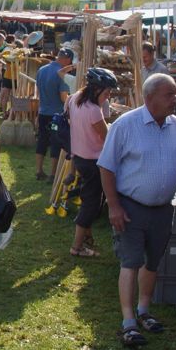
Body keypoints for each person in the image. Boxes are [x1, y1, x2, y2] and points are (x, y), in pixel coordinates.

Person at [98, 73, 176, 349]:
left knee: (152, 261)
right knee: (130, 261)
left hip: (161, 209)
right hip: (131, 207)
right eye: (169, 94)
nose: (175, 99)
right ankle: (128, 321)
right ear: (150, 98)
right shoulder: (126, 125)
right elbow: (106, 166)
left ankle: (144, 310)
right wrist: (114, 206)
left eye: (175, 93)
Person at [67, 68, 119, 258]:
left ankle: (87, 237)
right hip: (93, 162)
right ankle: (77, 246)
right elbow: (107, 138)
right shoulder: (94, 111)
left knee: (89, 197)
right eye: (107, 93)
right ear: (97, 90)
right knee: (91, 204)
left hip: (80, 157)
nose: (108, 96)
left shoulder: (74, 99)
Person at [35, 48, 75, 181]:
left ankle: (39, 170)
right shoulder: (61, 75)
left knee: (42, 140)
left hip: (42, 112)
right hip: (56, 116)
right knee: (55, 142)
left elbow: (39, 93)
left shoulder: (41, 70)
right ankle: (52, 174)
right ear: (67, 59)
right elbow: (64, 97)